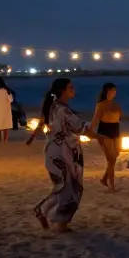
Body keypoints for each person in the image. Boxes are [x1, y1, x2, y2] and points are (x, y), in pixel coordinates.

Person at [31, 77, 92, 233]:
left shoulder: (52, 107)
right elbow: (80, 128)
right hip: (63, 152)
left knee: (63, 186)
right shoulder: (62, 109)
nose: (73, 90)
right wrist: (102, 134)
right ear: (62, 91)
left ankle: (46, 213)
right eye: (70, 87)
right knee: (70, 188)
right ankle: (58, 221)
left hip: (55, 150)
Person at [89, 83, 122, 192]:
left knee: (115, 156)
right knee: (111, 159)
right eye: (111, 90)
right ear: (105, 91)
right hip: (104, 132)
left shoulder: (116, 105)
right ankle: (112, 185)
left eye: (115, 90)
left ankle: (104, 179)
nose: (113, 92)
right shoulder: (101, 105)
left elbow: (119, 118)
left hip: (115, 130)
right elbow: (95, 121)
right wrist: (88, 132)